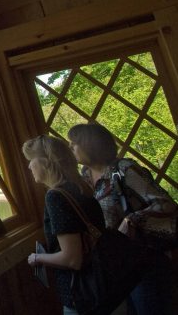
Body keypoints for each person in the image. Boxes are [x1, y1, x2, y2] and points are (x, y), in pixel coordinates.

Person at [68, 123, 175, 315]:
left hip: (144, 261)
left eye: (74, 143)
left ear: (90, 145)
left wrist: (132, 219)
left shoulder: (124, 168)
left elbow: (165, 204)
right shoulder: (86, 176)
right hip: (118, 265)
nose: (70, 148)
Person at [23, 134, 109, 314]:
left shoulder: (56, 197)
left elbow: (72, 259)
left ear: (46, 163)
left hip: (84, 296)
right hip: (107, 287)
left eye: (31, 160)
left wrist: (37, 258)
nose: (29, 166)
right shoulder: (80, 187)